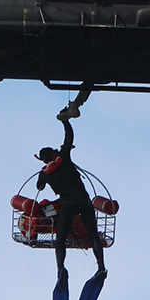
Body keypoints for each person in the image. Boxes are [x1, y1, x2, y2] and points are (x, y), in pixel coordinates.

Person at [36, 105, 107, 280]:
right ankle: (101, 267)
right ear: (53, 153)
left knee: (60, 240)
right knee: (93, 235)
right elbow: (69, 137)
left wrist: (43, 176)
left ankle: (60, 269)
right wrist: (65, 121)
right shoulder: (64, 158)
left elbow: (39, 188)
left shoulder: (44, 173)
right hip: (83, 200)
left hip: (67, 204)